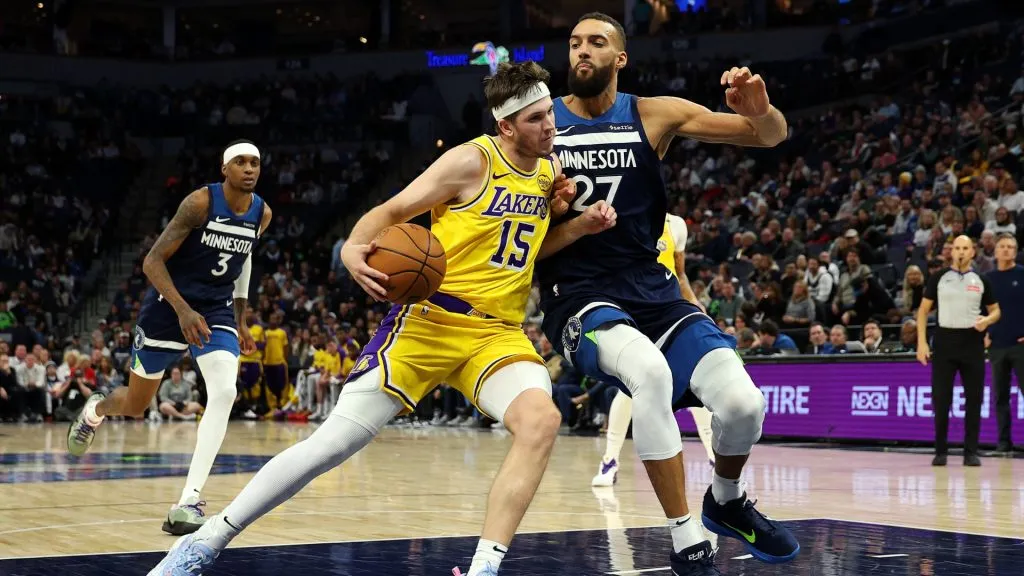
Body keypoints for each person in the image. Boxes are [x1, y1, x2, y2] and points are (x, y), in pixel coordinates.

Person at [147, 61, 615, 576]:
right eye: (536, 119)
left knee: (542, 420)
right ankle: (206, 542)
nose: (550, 126)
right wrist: (352, 246)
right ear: (505, 126)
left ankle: (485, 568)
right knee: (332, 444)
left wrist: (580, 227)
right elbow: (391, 212)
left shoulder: (548, 172)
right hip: (429, 323)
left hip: (496, 334)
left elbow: (527, 250)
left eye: (550, 113)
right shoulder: (469, 162)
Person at [536, 13, 797, 574]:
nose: (582, 51)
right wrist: (562, 219)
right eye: (575, 42)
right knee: (650, 374)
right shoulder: (540, 126)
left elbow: (771, 136)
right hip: (576, 292)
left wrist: (761, 109)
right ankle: (686, 540)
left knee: (743, 405)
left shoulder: (653, 114)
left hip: (652, 293)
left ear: (620, 58)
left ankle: (725, 502)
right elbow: (521, 235)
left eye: (596, 42)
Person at [67, 139, 272, 535]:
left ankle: (188, 501)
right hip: (167, 308)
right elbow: (152, 261)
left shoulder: (262, 213)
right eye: (241, 162)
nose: (250, 169)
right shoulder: (200, 203)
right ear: (224, 169)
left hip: (215, 311)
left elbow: (244, 259)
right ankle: (95, 410)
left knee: (225, 392)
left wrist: (241, 317)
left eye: (256, 163)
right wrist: (182, 310)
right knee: (135, 403)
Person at [592, 212, 716, 489]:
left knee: (694, 385)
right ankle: (610, 461)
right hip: (633, 308)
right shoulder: (624, 215)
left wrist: (696, 305)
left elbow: (680, 274)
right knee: (629, 389)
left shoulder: (676, 224)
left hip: (668, 310)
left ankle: (714, 458)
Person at [917, 235, 1000, 467]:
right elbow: (923, 311)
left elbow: (996, 311)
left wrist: (987, 320)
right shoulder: (939, 278)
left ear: (973, 252)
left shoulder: (982, 279)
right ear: (951, 252)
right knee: (941, 399)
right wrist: (922, 343)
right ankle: (941, 450)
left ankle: (970, 451)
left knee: (974, 399)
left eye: (966, 248)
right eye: (957, 248)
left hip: (972, 342)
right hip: (944, 341)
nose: (961, 252)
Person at [984, 233, 1023, 452]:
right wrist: (985, 333)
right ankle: (1003, 441)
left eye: (1011, 246)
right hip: (997, 345)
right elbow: (980, 310)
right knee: (1000, 396)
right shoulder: (987, 279)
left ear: (1015, 251)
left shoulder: (1022, 274)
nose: (1007, 250)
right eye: (1003, 246)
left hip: (1020, 345)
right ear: (995, 251)